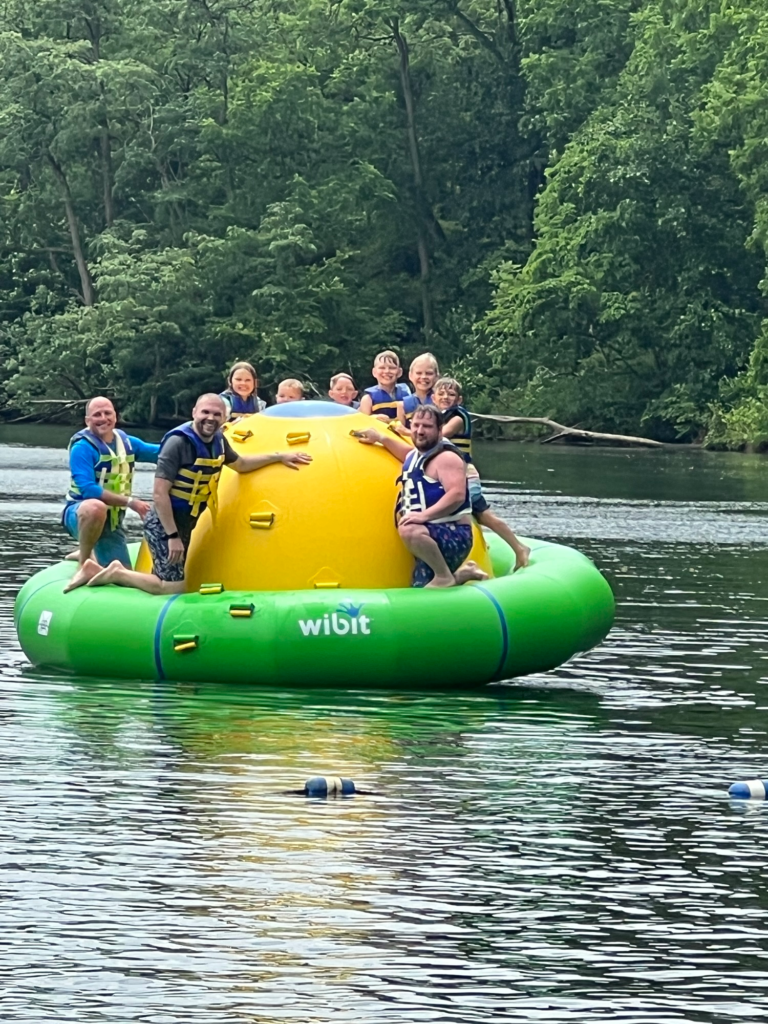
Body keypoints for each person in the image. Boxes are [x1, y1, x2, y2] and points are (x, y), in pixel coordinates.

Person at [68, 394, 312, 595]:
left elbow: (241, 464)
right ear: (194, 412)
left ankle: (101, 560)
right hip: (156, 522)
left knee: (170, 577)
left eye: (217, 414)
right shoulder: (176, 442)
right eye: (205, 412)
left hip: (184, 521)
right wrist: (171, 534)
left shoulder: (217, 440)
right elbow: (160, 493)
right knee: (173, 588)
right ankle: (113, 570)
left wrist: (279, 456)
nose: (211, 418)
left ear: (225, 417)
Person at [356, 405, 487, 588]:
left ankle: (444, 576)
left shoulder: (447, 458)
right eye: (416, 425)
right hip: (429, 535)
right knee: (421, 588)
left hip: (452, 533)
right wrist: (381, 437)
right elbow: (406, 453)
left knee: (409, 528)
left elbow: (457, 495)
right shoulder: (417, 455)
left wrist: (423, 516)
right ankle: (464, 574)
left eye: (427, 426)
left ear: (440, 431)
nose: (420, 431)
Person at [62, 397, 161, 591]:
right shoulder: (82, 448)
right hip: (78, 515)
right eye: (97, 414)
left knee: (122, 577)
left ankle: (91, 554)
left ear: (115, 417)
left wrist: (190, 436)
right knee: (95, 506)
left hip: (112, 524)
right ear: (87, 420)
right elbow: (88, 489)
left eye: (107, 413)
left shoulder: (128, 443)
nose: (103, 418)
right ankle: (84, 563)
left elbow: (162, 452)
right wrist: (131, 502)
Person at [433, 377, 530, 571]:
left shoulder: (458, 417)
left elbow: (439, 436)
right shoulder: (439, 415)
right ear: (433, 398)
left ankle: (518, 548)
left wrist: (403, 430)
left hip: (466, 476)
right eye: (441, 394)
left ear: (459, 400)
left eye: (451, 394)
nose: (446, 397)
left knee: (480, 514)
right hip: (455, 475)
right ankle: (507, 546)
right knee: (480, 515)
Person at [358, 350, 411, 421]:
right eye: (382, 368)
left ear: (399, 372)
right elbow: (362, 424)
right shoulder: (368, 399)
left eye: (392, 368)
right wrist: (372, 418)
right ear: (374, 372)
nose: (387, 371)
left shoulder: (408, 394)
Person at [396, 352, 438, 430]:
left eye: (429, 373)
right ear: (410, 376)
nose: (423, 377)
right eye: (419, 373)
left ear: (436, 376)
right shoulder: (402, 406)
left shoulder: (441, 402)